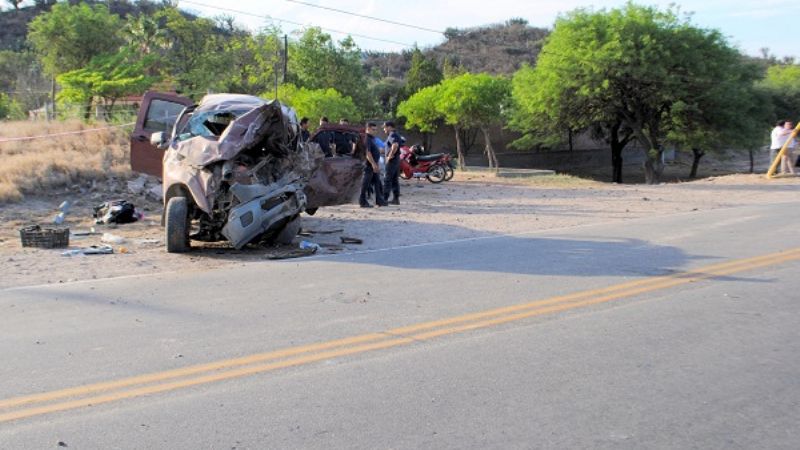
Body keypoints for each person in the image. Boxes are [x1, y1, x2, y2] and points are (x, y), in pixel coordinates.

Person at [359, 122, 388, 208]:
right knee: (366, 183)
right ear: (368, 129)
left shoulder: (372, 139)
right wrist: (373, 164)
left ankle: (379, 200)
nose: (375, 131)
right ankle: (362, 200)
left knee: (377, 182)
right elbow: (367, 153)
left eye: (375, 130)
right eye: (373, 129)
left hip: (374, 164)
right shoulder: (367, 138)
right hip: (369, 165)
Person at [382, 121, 405, 205]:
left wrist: (389, 156)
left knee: (387, 179)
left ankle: (384, 199)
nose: (384, 129)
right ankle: (396, 199)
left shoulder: (392, 134)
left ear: (390, 127)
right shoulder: (396, 134)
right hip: (396, 160)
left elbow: (395, 145)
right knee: (394, 180)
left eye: (385, 127)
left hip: (392, 161)